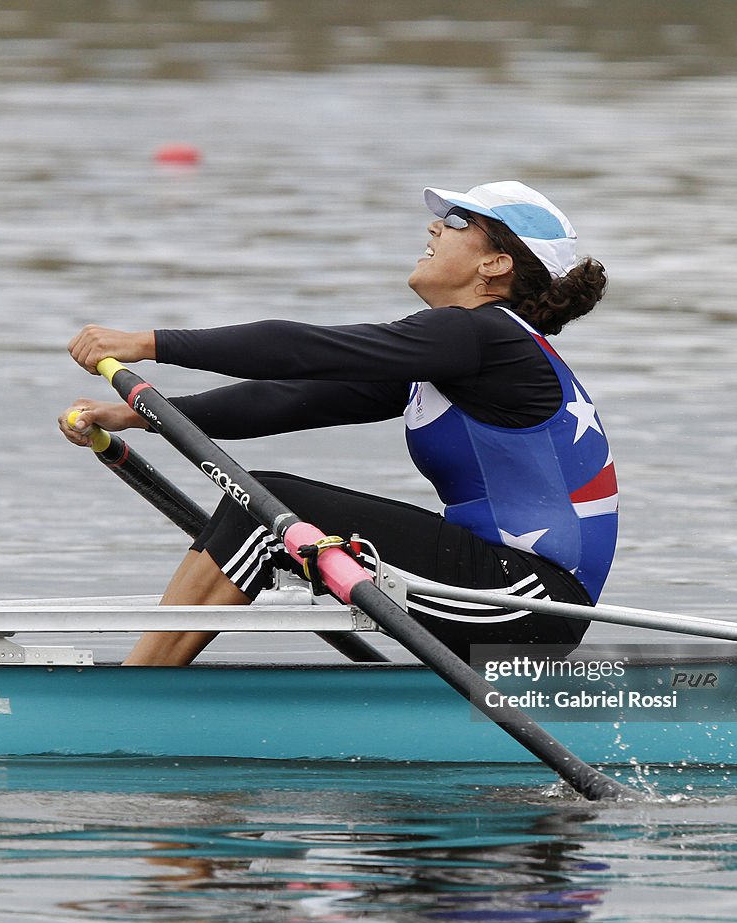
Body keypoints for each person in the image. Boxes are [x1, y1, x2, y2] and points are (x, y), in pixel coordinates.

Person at [60, 180, 618, 666]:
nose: (433, 226)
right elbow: (285, 400)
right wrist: (138, 415)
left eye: (455, 221)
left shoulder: (481, 335)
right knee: (267, 507)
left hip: (525, 603)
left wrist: (148, 343)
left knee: (267, 505)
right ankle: (150, 677)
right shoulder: (473, 355)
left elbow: (302, 349)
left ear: (495, 264)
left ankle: (137, 689)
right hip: (511, 597)